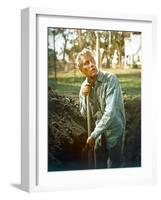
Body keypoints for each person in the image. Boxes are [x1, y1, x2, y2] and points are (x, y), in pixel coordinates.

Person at [76, 49, 126, 169]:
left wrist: (93, 135)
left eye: (92, 60)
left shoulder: (110, 80)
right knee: (99, 166)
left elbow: (110, 112)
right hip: (99, 135)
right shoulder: (84, 87)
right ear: (82, 70)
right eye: (86, 63)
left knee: (113, 166)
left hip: (114, 132)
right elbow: (84, 114)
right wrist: (83, 97)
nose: (91, 64)